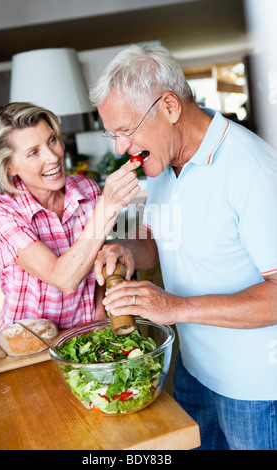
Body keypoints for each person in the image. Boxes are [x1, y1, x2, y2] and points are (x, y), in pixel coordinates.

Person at [89, 44, 277, 450]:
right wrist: (127, 251)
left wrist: (177, 308)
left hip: (255, 391)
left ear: (169, 106)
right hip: (192, 371)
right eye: (113, 134)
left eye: (126, 130)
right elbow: (159, 241)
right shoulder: (162, 162)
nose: (120, 148)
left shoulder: (253, 170)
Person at [0, 102, 141, 345]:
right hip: (26, 349)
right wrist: (108, 205)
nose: (53, 156)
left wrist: (100, 318)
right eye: (34, 152)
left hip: (85, 339)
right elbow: (63, 279)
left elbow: (95, 257)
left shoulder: (86, 189)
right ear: (10, 167)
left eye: (52, 140)